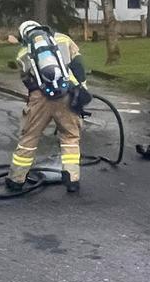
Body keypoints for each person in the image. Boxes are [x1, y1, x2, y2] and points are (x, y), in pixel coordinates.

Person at [6, 20, 91, 194]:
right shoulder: (64, 40)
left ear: (24, 36)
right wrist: (80, 90)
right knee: (70, 136)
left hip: (40, 98)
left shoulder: (23, 52)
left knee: (29, 138)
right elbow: (79, 66)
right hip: (67, 94)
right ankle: (72, 179)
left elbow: (28, 81)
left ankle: (16, 180)